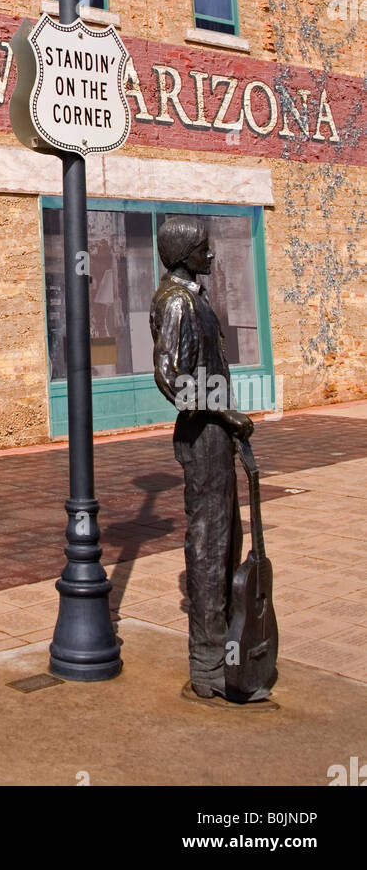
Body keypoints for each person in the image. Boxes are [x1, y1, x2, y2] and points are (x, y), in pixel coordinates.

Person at [150, 215, 265, 702]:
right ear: (183, 254)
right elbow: (172, 379)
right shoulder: (177, 302)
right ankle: (208, 663)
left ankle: (224, 653)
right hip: (204, 436)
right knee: (209, 541)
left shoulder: (190, 296)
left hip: (215, 434)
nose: (211, 255)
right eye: (203, 248)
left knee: (225, 539)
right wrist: (227, 412)